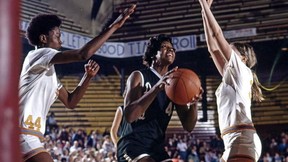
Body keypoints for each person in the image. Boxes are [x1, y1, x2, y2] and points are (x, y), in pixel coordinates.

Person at [19, 4, 136, 162]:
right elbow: (83, 54)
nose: (61, 39)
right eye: (57, 35)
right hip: (21, 134)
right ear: (43, 38)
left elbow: (70, 102)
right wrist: (114, 26)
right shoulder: (38, 54)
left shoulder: (48, 74)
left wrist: (87, 77)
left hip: (30, 136)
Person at [117, 34, 201, 162]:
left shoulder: (175, 84)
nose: (170, 50)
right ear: (152, 54)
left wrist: (194, 103)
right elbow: (129, 116)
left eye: (172, 48)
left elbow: (188, 126)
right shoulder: (138, 76)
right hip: (132, 145)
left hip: (156, 148)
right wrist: (156, 88)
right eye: (164, 47)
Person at [199, 0, 263, 161]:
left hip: (242, 138)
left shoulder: (241, 70)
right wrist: (203, 10)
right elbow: (212, 48)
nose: (225, 52)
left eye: (230, 50)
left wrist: (203, 3)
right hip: (233, 139)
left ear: (243, 58)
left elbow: (218, 35)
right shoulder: (232, 75)